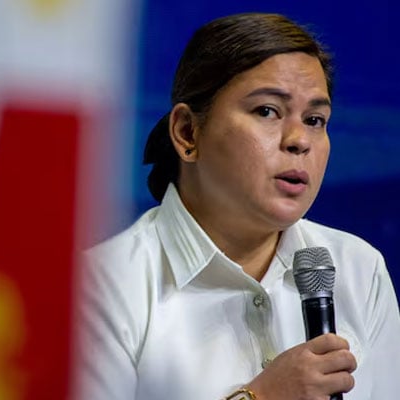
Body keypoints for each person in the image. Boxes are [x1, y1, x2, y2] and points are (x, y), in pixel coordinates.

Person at [73, 12, 400, 400]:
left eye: (315, 119)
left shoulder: (359, 270)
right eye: (267, 111)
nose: (299, 140)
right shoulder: (101, 288)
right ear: (187, 132)